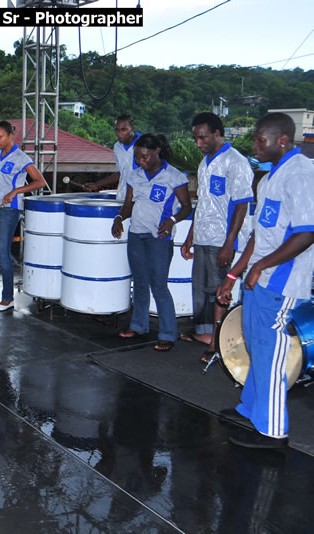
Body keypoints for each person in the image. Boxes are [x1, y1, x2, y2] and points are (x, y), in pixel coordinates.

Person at [216, 113, 314, 449]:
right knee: (257, 348)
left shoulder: (301, 174)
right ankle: (252, 409)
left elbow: (307, 233)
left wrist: (261, 267)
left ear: (282, 140)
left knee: (271, 354)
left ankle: (273, 432)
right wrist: (235, 274)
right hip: (259, 280)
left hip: (282, 283)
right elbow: (260, 236)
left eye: (261, 140)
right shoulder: (269, 177)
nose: (255, 145)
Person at [180, 112, 254, 363]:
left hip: (222, 239)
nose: (198, 143)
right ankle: (205, 334)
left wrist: (229, 244)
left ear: (217, 134)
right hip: (203, 236)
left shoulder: (236, 162)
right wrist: (191, 236)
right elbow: (202, 203)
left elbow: (242, 205)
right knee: (202, 290)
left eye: (203, 138)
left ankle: (219, 342)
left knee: (220, 291)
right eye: (195, 139)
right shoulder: (204, 163)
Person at [112, 133, 192, 352]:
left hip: (159, 237)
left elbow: (186, 207)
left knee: (159, 285)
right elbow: (128, 205)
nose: (141, 161)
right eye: (137, 157)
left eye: (145, 156)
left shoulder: (174, 176)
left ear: (157, 152)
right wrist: (119, 218)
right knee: (139, 282)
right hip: (136, 234)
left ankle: (168, 333)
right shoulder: (135, 175)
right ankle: (138, 326)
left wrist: (172, 220)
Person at [0, 120, 46, 312]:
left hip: (10, 208)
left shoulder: (21, 157)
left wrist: (15, 191)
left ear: (11, 136)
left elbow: (40, 182)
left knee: (2, 250)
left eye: (0, 137)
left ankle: (7, 298)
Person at [84, 114, 140, 200]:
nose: (119, 133)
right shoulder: (117, 147)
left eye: (123, 129)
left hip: (140, 198)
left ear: (132, 128)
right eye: (117, 129)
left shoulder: (144, 144)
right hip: (123, 196)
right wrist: (97, 184)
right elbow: (122, 173)